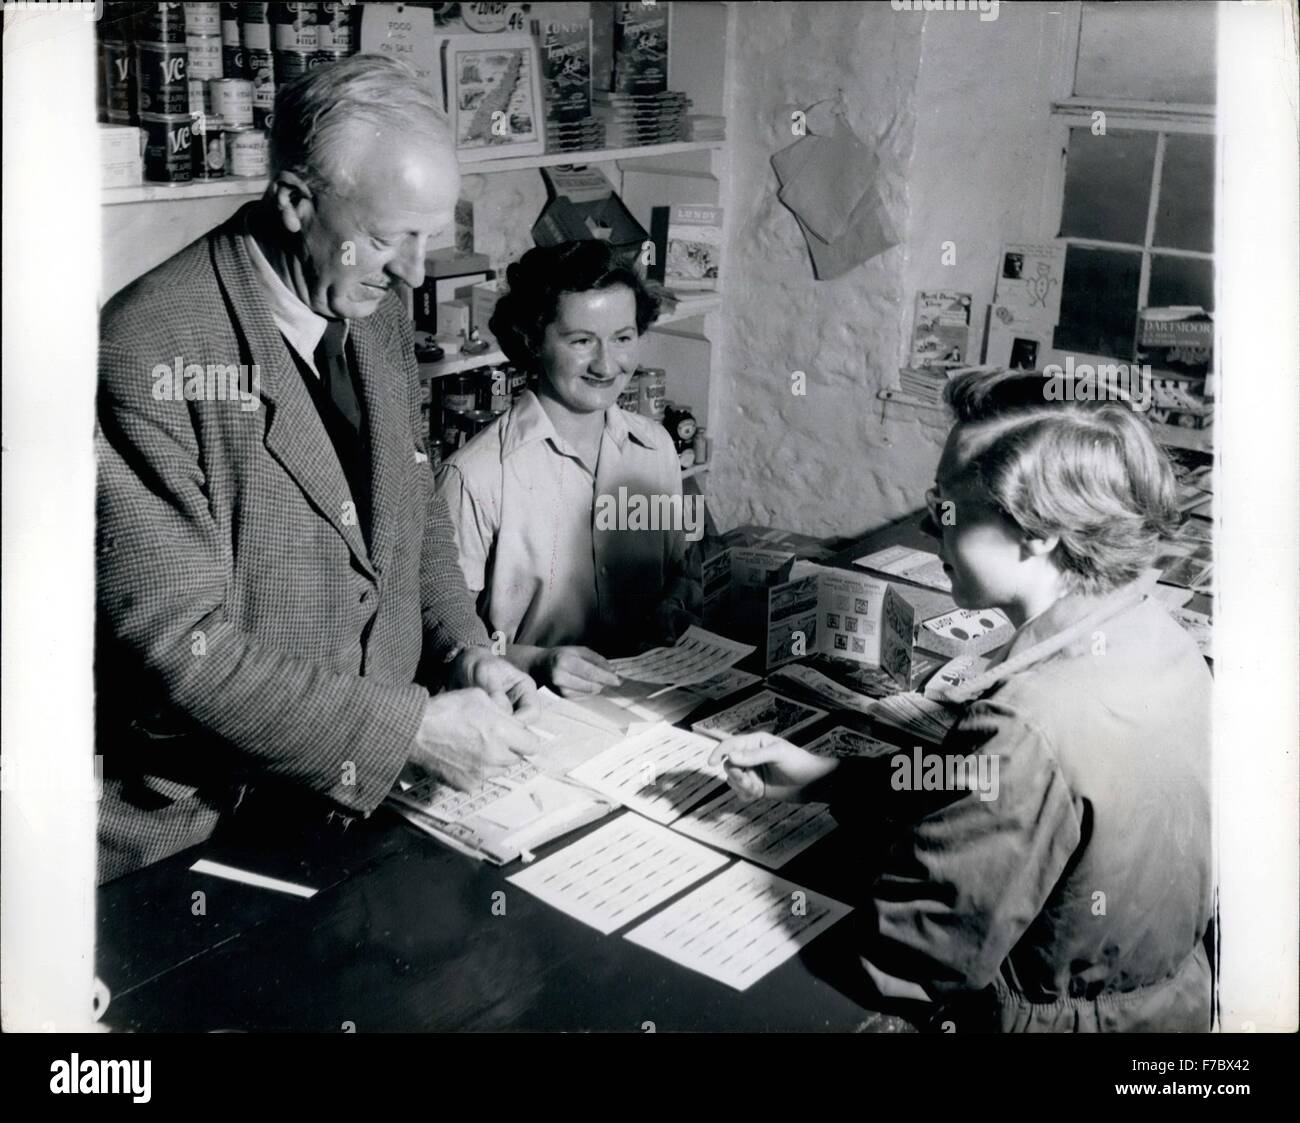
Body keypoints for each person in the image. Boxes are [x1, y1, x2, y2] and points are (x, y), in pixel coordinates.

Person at [95, 56, 540, 884]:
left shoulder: (371, 313)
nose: (412, 269)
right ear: (297, 201)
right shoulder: (150, 346)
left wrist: (467, 649)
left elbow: (412, 521)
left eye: (426, 236)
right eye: (384, 237)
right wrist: (407, 730)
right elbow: (180, 648)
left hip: (363, 805)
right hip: (205, 833)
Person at [710, 369, 1213, 1032]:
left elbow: (911, 953)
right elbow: (1019, 797)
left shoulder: (1028, 721)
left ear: (1037, 532)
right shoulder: (1156, 633)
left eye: (947, 507)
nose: (927, 524)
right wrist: (835, 779)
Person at [436, 241, 699, 698]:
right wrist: (539, 662)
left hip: (648, 705)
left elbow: (681, 570)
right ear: (533, 340)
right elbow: (443, 648)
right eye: (581, 341)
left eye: (623, 337)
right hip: (530, 714)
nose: (606, 364)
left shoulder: (655, 447)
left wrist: (674, 603)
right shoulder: (474, 478)